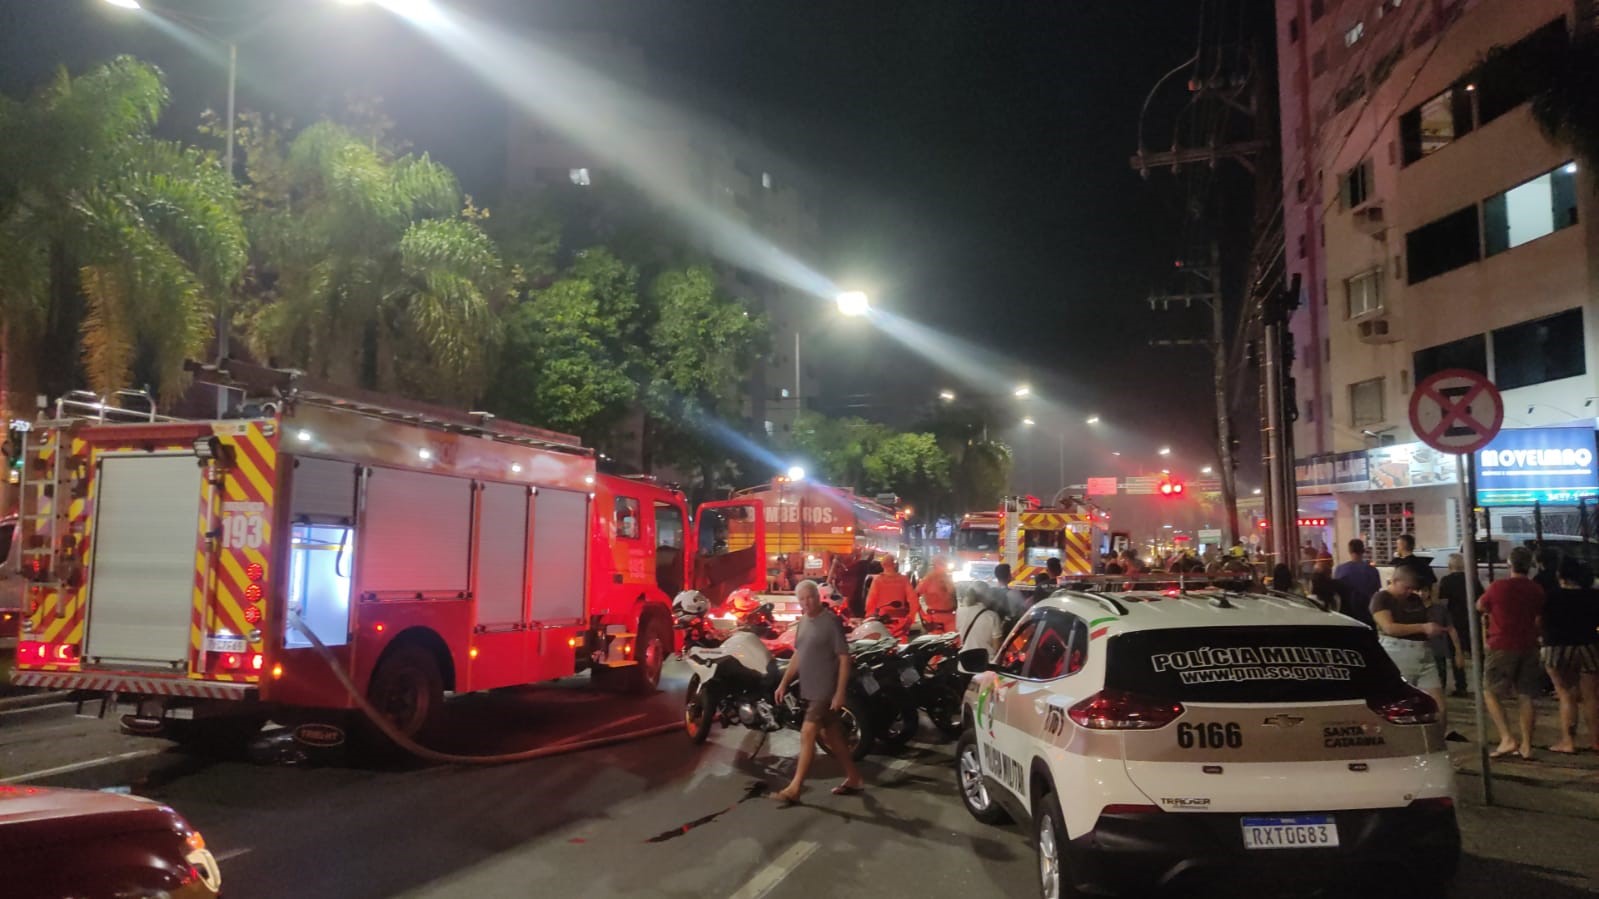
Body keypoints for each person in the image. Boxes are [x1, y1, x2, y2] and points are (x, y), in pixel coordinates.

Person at [771, 580, 865, 803]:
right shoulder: (803, 622)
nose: (806, 602)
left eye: (809, 597)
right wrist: (784, 682)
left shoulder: (830, 622)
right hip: (809, 688)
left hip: (825, 688)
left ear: (817, 596)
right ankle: (854, 777)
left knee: (807, 733)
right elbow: (798, 654)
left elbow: (844, 658)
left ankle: (795, 788)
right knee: (833, 736)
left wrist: (839, 692)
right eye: (802, 599)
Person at [1477, 546, 1546, 761]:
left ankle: (1507, 738)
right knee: (1526, 695)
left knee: (1491, 691)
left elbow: (1480, 605)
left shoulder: (1499, 587)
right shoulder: (1536, 590)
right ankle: (1527, 745)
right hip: (1529, 644)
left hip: (1502, 643)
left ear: (1509, 564)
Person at [1370, 568, 1452, 729]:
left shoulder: (1415, 599)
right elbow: (1389, 627)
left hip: (1423, 652)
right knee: (1401, 705)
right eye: (1406, 587)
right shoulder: (1382, 598)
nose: (1409, 592)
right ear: (1394, 581)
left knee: (1438, 706)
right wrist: (1422, 627)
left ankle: (1437, 741)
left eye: (1411, 588)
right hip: (1398, 651)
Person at [1541, 557, 1599, 755]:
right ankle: (1595, 740)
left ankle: (1568, 741)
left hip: (1556, 647)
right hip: (1588, 646)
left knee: (1566, 694)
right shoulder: (1593, 596)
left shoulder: (1551, 596)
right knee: (1591, 696)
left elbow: (1540, 621)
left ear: (1560, 575)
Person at [1436, 553, 1482, 697]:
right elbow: (1481, 599)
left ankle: (1461, 685)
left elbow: (1443, 602)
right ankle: (1482, 683)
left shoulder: (1446, 581)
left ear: (1450, 567)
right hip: (1472, 620)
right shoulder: (1472, 580)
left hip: (1454, 620)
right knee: (1476, 653)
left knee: (1457, 652)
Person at [863, 555, 916, 639]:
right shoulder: (904, 579)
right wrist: (911, 617)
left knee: (884, 643)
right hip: (900, 621)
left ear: (882, 565)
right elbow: (913, 600)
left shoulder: (878, 580)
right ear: (894, 565)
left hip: (883, 620)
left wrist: (869, 617)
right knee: (901, 645)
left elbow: (871, 601)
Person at [1333, 539, 1382, 628]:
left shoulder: (1340, 569)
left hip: (1346, 615)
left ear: (1349, 551)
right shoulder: (1372, 571)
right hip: (1367, 615)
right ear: (1363, 551)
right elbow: (1376, 592)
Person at [956, 581, 1005, 659]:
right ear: (986, 596)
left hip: (964, 661)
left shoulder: (959, 612)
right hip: (986, 663)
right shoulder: (992, 616)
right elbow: (996, 646)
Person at [915, 556, 957, 634]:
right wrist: (924, 616)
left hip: (951, 618)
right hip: (935, 619)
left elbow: (954, 597)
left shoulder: (948, 578)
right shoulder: (928, 580)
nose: (944, 565)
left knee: (955, 644)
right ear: (935, 565)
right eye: (942, 563)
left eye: (945, 563)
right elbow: (913, 598)